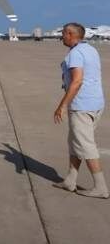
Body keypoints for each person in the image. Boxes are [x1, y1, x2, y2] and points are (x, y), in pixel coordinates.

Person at [53, 23, 107, 198]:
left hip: (82, 106)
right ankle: (70, 180)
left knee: (85, 145)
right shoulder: (91, 50)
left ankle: (100, 187)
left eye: (63, 33)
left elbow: (77, 81)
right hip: (96, 103)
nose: (61, 36)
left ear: (70, 34)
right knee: (75, 143)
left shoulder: (75, 54)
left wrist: (61, 106)